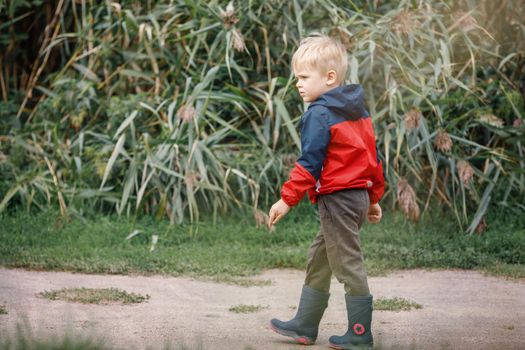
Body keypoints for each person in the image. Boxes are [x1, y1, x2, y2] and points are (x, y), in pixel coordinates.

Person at [267, 34, 385, 349]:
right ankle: (305, 325)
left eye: (304, 77)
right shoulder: (357, 111)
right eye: (297, 78)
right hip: (357, 196)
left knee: (347, 262)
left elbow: (309, 164)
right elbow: (373, 158)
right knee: (320, 258)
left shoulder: (319, 113)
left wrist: (286, 199)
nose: (298, 84)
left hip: (338, 199)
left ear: (329, 77)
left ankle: (360, 334)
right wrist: (373, 199)